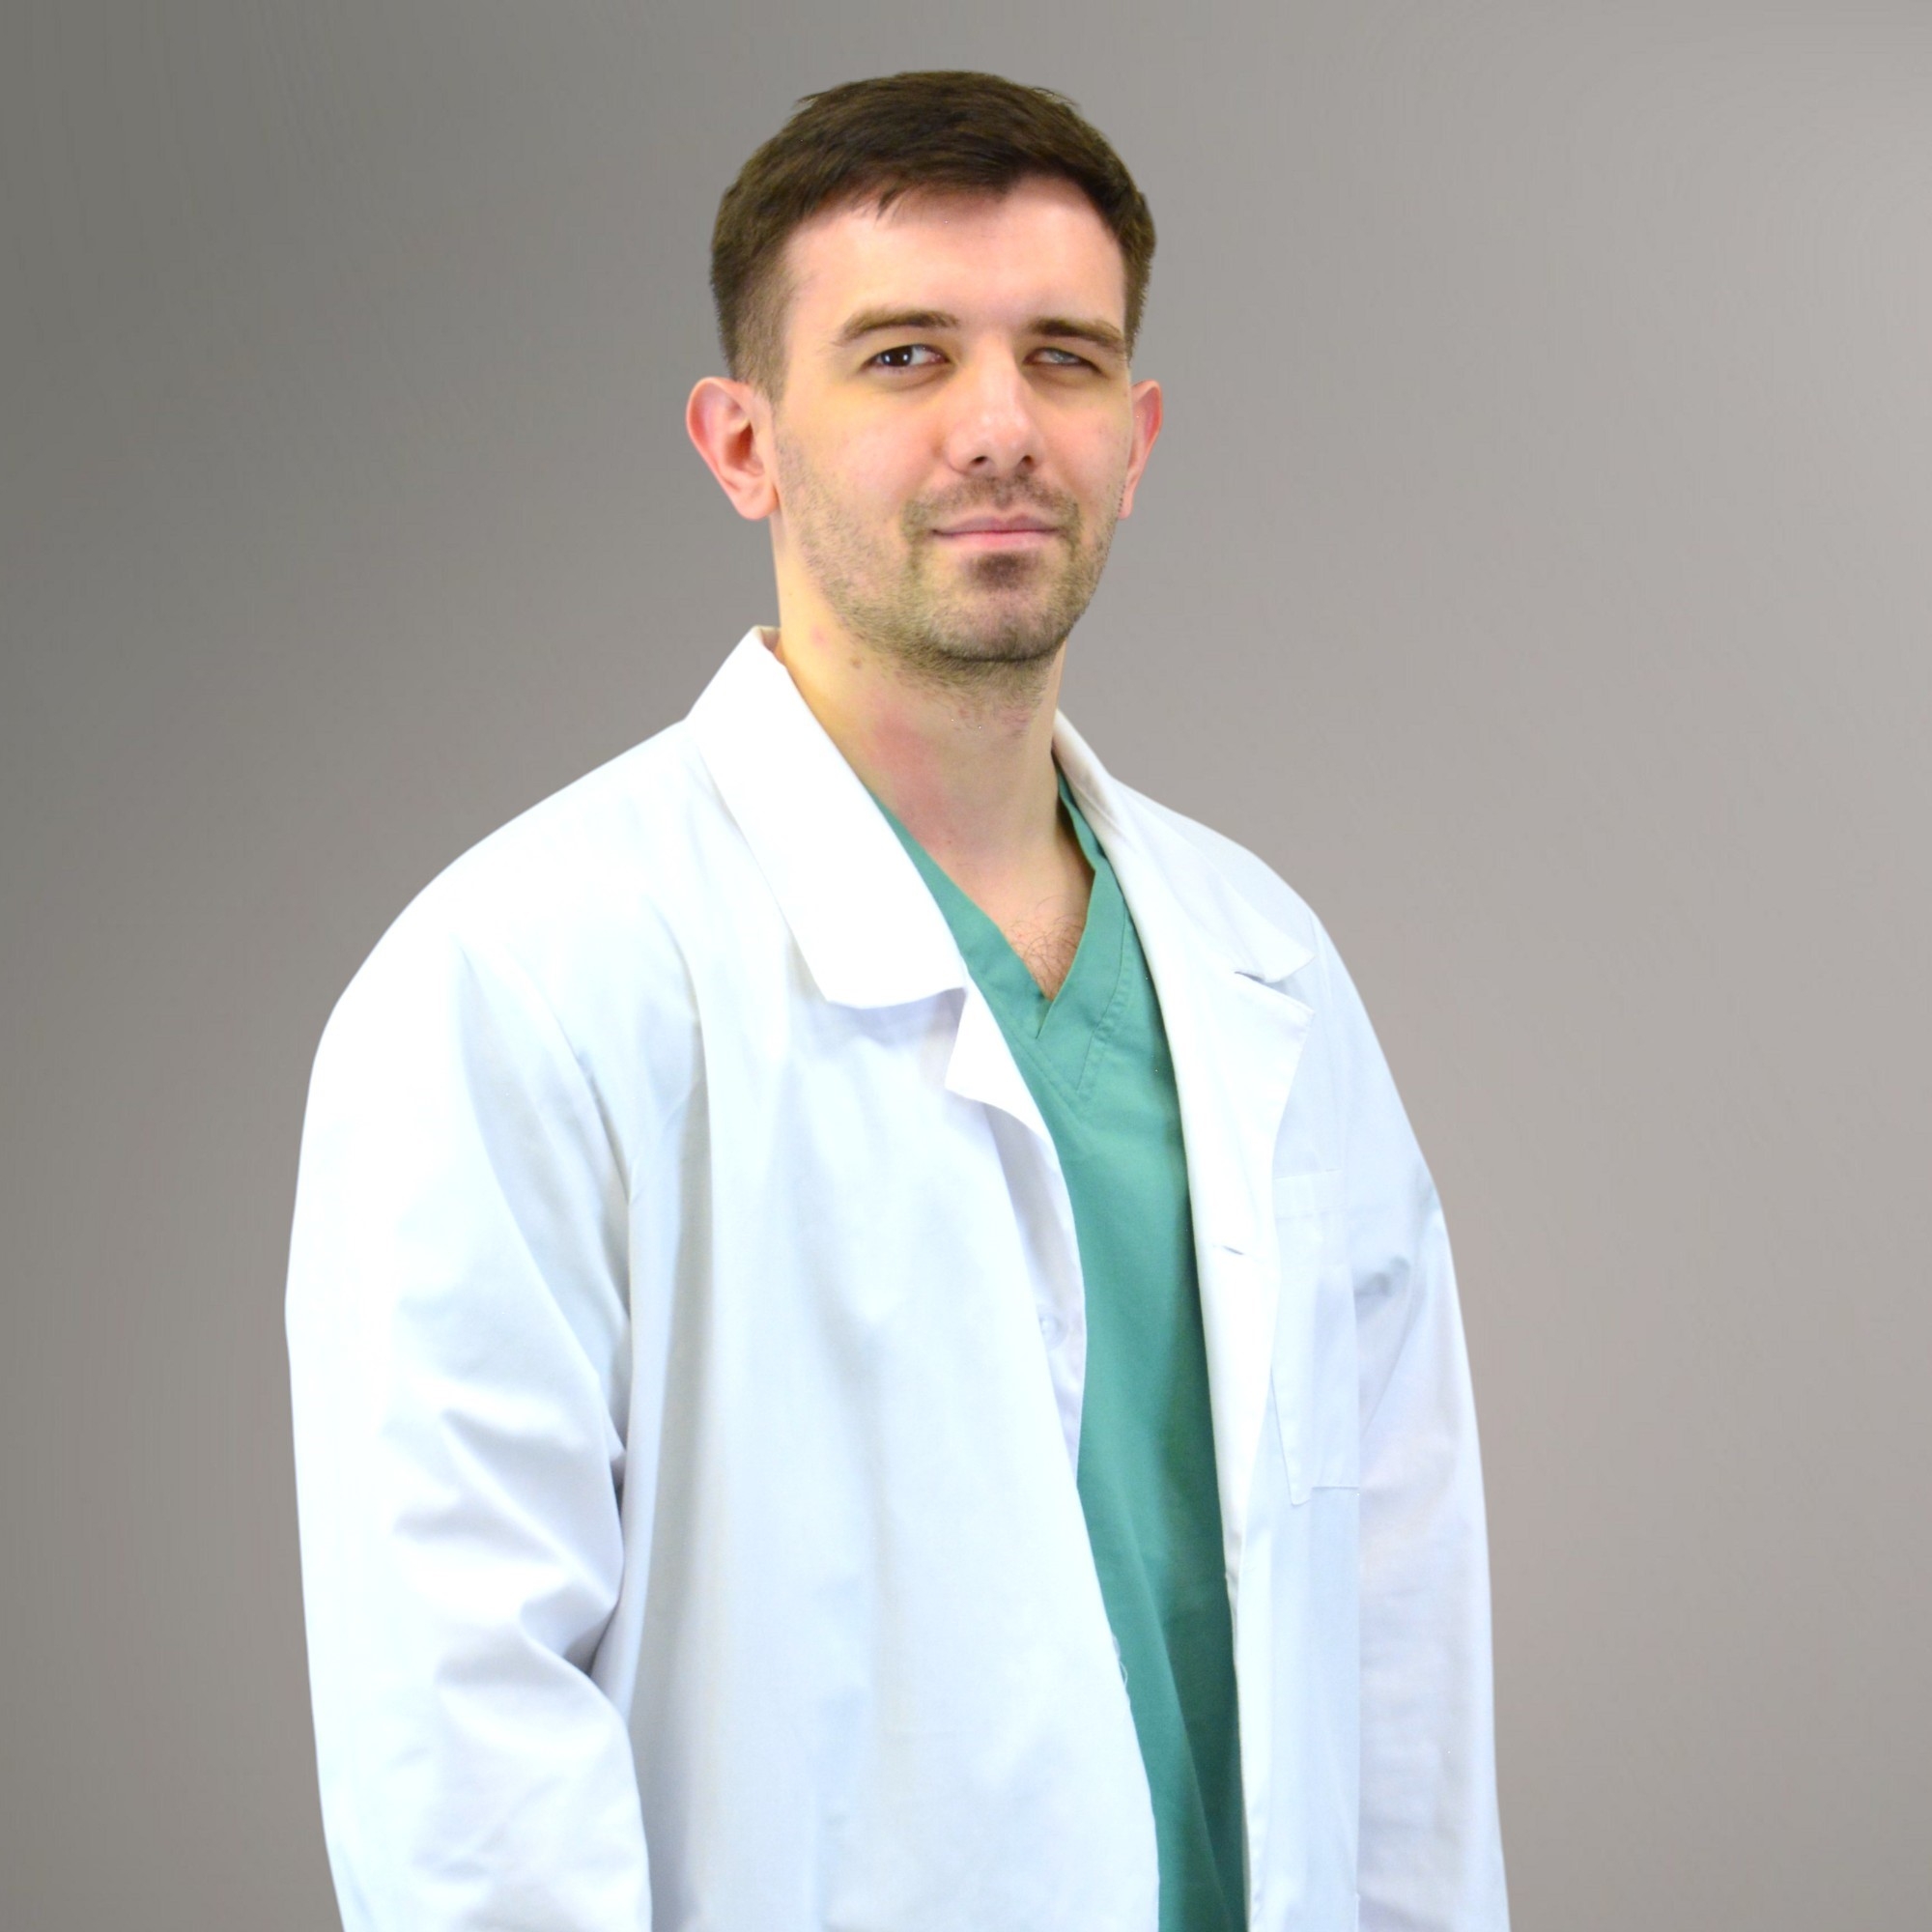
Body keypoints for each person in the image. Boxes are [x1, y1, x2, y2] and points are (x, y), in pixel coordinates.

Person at [285, 70, 1509, 1932]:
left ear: (1138, 437)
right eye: (906, 356)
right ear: (743, 444)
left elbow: (1399, 1626)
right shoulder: (526, 980)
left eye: (1064, 358)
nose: (1000, 427)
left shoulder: (1263, 966)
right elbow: (457, 1752)